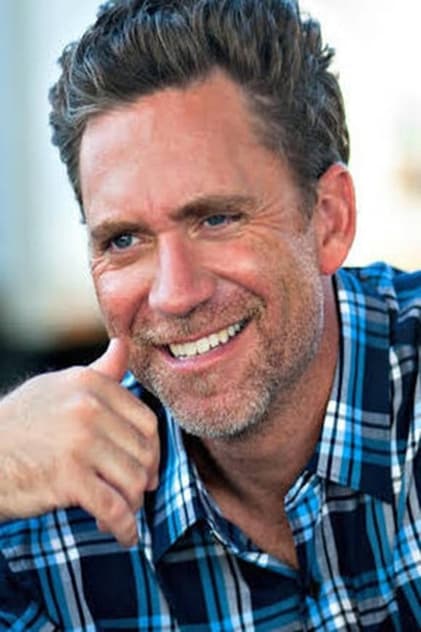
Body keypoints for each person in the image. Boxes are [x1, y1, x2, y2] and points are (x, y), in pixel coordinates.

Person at [0, 0, 420, 629]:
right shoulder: (36, 523)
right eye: (123, 240)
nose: (175, 294)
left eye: (217, 219)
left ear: (330, 220)